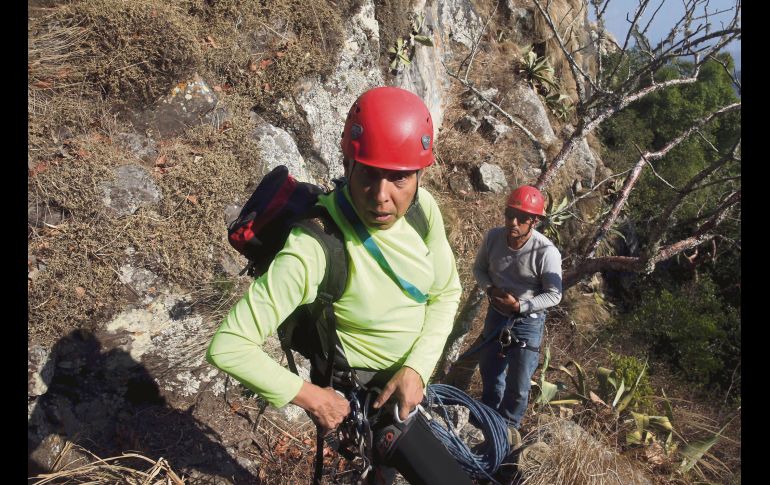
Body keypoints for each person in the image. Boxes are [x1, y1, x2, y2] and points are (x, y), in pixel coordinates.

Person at [207, 86, 471, 484]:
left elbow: (446, 292)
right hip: (369, 400)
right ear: (348, 164)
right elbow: (229, 346)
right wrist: (313, 398)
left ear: (420, 174)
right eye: (368, 174)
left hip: (410, 382)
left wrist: (416, 369)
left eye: (399, 178)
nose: (381, 197)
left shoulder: (422, 210)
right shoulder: (315, 248)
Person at [472, 186, 562, 432]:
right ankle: (488, 417)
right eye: (509, 214)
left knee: (519, 382)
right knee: (490, 370)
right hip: (497, 313)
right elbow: (479, 269)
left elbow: (554, 294)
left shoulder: (546, 252)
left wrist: (521, 305)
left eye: (521, 218)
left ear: (534, 221)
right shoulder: (493, 238)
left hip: (527, 322)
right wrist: (491, 290)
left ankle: (508, 427)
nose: (513, 222)